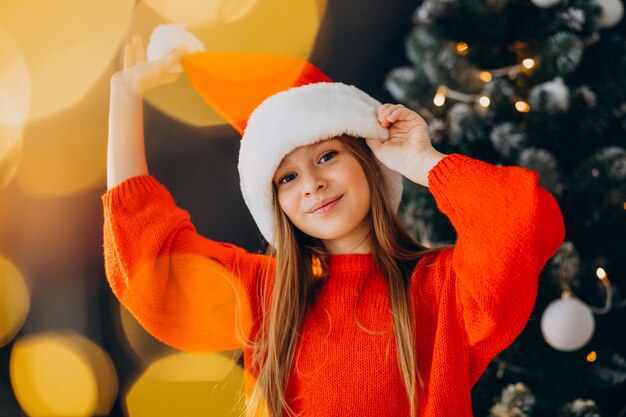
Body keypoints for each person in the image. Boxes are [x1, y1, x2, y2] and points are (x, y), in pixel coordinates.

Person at [103, 35, 565, 417]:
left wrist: (423, 162)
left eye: (327, 156)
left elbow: (522, 220)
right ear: (274, 201)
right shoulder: (269, 295)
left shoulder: (440, 289)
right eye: (287, 177)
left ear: (366, 159)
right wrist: (124, 97)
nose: (313, 184)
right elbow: (148, 266)